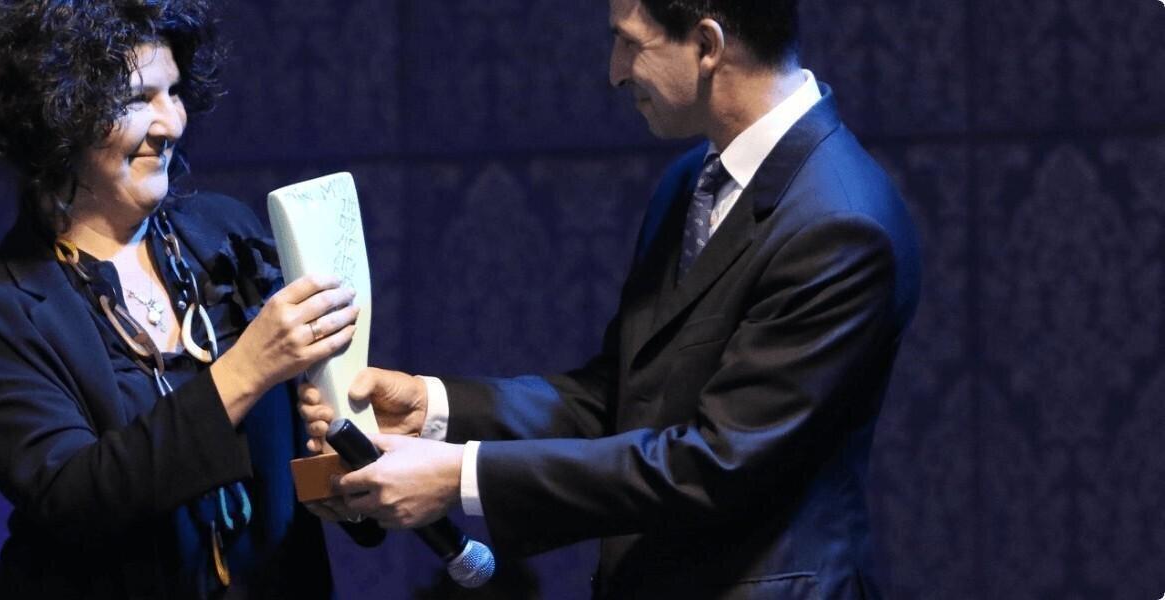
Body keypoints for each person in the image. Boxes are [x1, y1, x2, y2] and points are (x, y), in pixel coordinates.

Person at [300, 0, 921, 597]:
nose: (615, 72)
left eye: (629, 42)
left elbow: (718, 464)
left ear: (707, 45)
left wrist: (460, 475)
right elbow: (619, 400)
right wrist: (433, 409)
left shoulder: (839, 222)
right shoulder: (694, 181)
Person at [0, 1, 356, 597]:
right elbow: (75, 498)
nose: (172, 124)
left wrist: (341, 474)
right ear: (57, 116)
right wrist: (247, 369)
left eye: (175, 92)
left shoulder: (225, 234)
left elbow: (301, 443)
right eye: (140, 99)